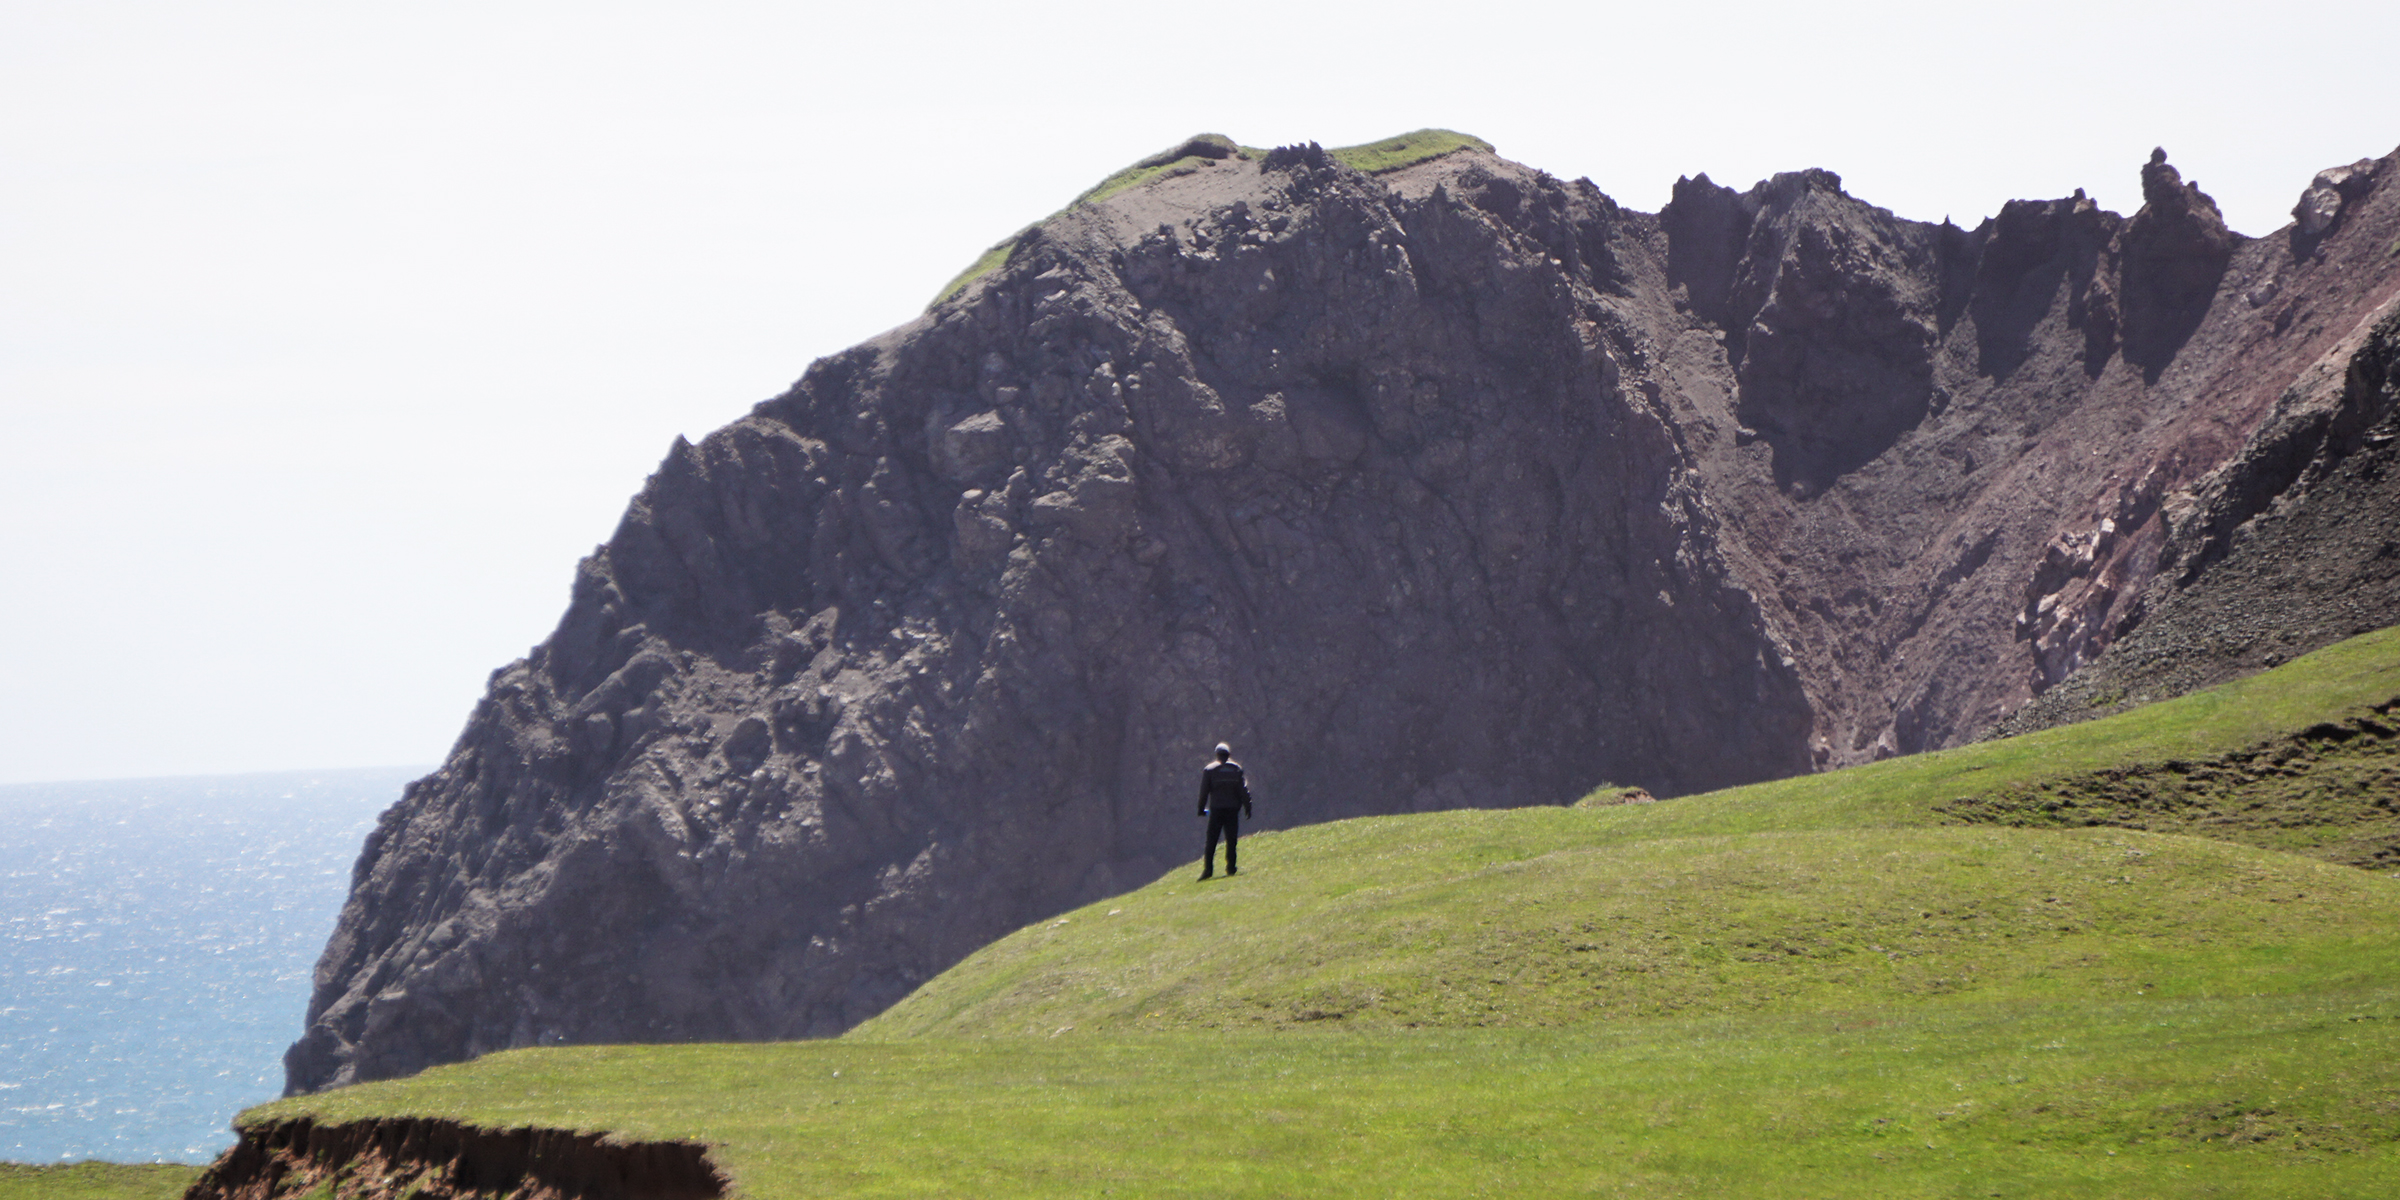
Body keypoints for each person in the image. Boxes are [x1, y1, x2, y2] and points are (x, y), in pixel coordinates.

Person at [1196, 742, 1253, 880]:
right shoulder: (1236, 770)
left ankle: (1208, 870)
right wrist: (1248, 806)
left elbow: (1204, 792)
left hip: (1216, 810)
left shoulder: (1210, 770)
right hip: (1233, 810)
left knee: (1212, 840)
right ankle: (1231, 868)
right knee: (1231, 839)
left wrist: (1201, 809)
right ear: (1228, 754)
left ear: (1217, 754)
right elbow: (1243, 791)